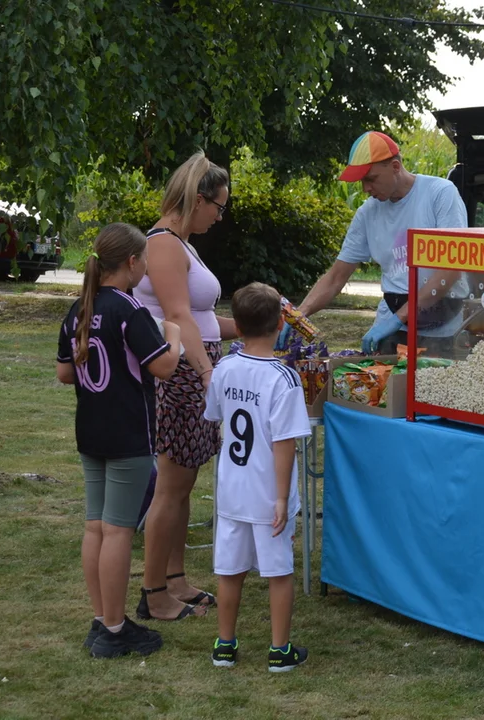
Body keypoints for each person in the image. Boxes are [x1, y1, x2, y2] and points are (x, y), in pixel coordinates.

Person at [55, 223, 182, 658]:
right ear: (132, 262)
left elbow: (64, 372)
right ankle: (113, 629)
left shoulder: (78, 309)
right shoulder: (128, 309)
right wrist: (176, 339)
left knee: (96, 526)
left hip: (90, 431)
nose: (146, 265)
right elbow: (163, 367)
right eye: (144, 258)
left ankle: (102, 618)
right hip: (128, 434)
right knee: (118, 531)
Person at [133, 151, 236, 621]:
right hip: (181, 374)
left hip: (195, 367)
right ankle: (153, 593)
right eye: (219, 205)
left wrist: (260, 323)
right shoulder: (165, 245)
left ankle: (175, 579)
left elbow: (202, 318)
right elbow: (176, 318)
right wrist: (207, 372)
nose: (220, 215)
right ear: (198, 199)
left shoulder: (183, 242)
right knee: (170, 486)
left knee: (184, 480)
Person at [204, 282, 311, 671]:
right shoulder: (283, 379)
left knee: (229, 569)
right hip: (268, 496)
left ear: (238, 325)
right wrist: (282, 498)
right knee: (279, 572)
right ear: (282, 322)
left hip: (232, 490)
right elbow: (285, 444)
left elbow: (218, 419)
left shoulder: (224, 368)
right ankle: (279, 650)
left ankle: (225, 645)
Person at [293, 131, 469, 355]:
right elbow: (336, 277)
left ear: (395, 167)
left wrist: (398, 318)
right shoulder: (367, 213)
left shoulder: (440, 194)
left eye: (371, 178)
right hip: (392, 320)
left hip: (442, 324)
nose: (365, 189)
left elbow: (450, 269)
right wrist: (298, 316)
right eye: (362, 181)